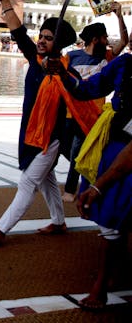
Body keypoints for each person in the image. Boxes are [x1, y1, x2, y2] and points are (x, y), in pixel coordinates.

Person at [0, 0, 101, 245]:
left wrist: (60, 73)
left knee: (27, 183)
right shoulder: (36, 60)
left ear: (58, 44)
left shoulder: (66, 70)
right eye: (42, 36)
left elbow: (80, 92)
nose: (42, 40)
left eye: (49, 38)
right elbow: (16, 29)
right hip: (31, 132)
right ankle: (58, 222)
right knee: (47, 181)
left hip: (52, 138)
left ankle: (1, 229)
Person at [51, 51, 132, 310]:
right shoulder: (124, 63)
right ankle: (103, 281)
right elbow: (86, 90)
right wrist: (63, 73)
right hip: (118, 148)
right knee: (111, 216)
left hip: (125, 154)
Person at [61, 6, 127, 202]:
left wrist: (119, 15)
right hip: (70, 113)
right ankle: (86, 183)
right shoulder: (72, 57)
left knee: (77, 151)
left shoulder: (107, 58)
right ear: (95, 39)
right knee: (69, 150)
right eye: (105, 38)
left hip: (93, 117)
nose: (108, 42)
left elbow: (124, 41)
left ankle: (72, 191)